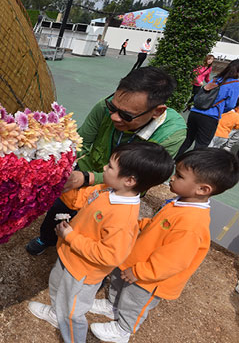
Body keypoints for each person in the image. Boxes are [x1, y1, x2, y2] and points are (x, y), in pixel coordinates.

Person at [26, 67, 186, 256]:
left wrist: (88, 178)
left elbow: (141, 176)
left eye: (126, 115)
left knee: (98, 225)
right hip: (87, 171)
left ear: (157, 111)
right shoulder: (104, 107)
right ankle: (47, 238)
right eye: (113, 107)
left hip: (122, 189)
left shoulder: (171, 134)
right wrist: (65, 166)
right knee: (60, 207)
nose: (114, 117)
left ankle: (80, 254)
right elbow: (81, 143)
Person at [28, 142, 175, 343]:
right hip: (70, 256)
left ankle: (73, 338)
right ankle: (55, 313)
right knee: (57, 286)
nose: (104, 168)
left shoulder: (122, 218)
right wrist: (59, 187)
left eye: (111, 167)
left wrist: (71, 237)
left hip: (83, 271)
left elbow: (110, 255)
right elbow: (82, 198)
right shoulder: (109, 189)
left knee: (72, 311)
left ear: (130, 180)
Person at [89, 148, 239, 343]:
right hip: (137, 260)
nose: (172, 178)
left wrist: (140, 272)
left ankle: (123, 329)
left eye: (179, 176)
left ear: (202, 189)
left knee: (134, 301)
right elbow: (158, 227)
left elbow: (173, 260)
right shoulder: (181, 202)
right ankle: (112, 305)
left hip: (150, 277)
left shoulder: (192, 223)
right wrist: (142, 225)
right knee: (118, 283)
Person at [176, 59, 239, 158]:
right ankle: (191, 166)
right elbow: (231, 105)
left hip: (195, 112)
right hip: (210, 117)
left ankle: (175, 159)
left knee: (187, 139)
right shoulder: (236, 84)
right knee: (201, 146)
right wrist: (221, 109)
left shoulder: (216, 79)